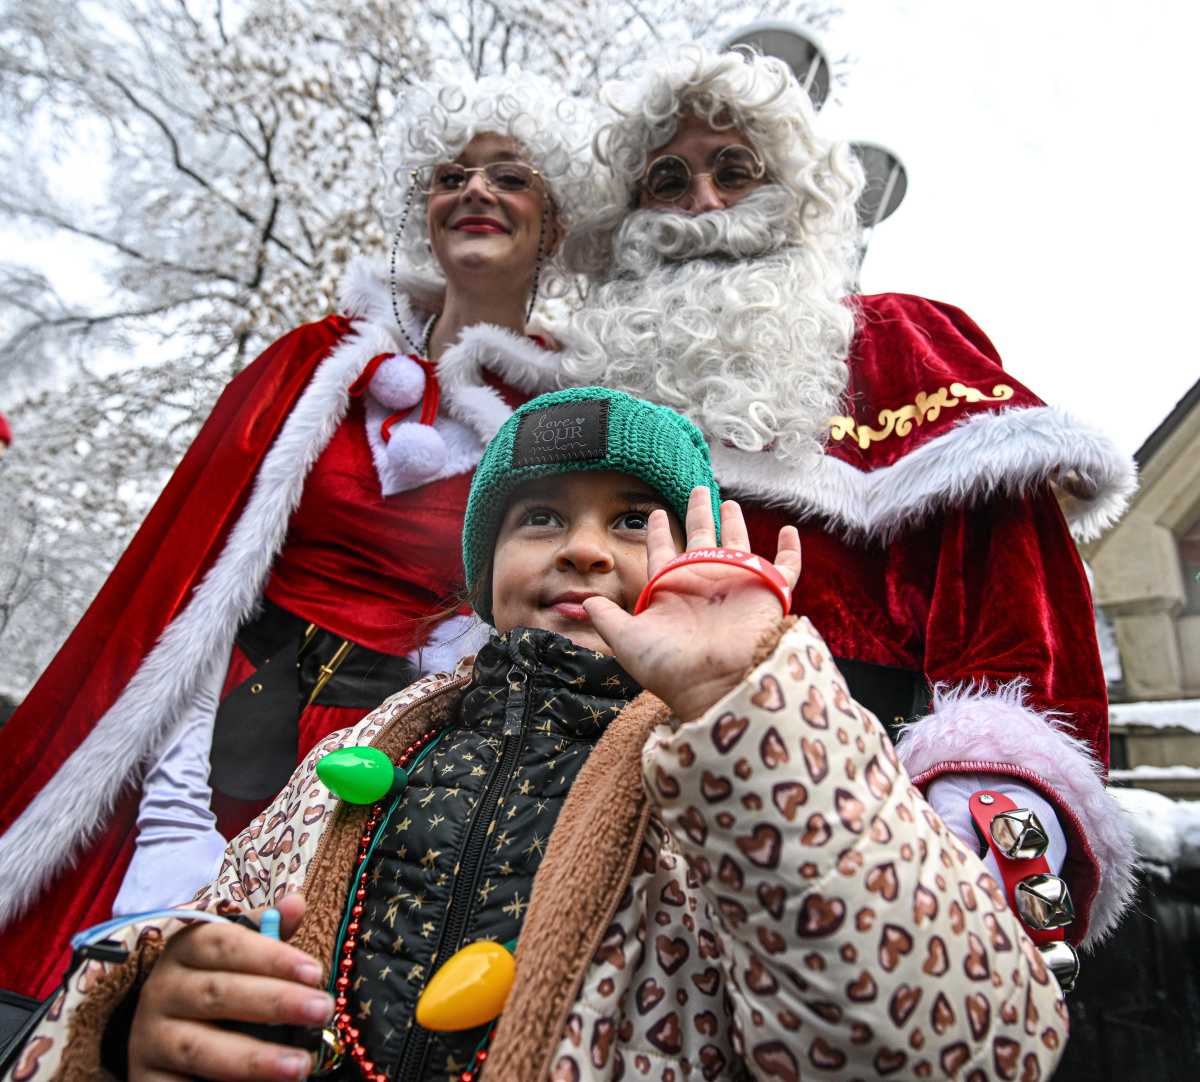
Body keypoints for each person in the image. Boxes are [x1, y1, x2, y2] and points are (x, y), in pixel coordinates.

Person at [7, 388, 1068, 1082]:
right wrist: (132, 1020)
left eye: (633, 518)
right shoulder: (383, 740)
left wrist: (748, 704)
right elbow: (217, 924)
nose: (586, 550)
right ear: (485, 568)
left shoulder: (753, 750)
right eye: (541, 518)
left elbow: (968, 1046)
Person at [0, 72, 592, 1000]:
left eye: (508, 175)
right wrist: (176, 783)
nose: (474, 191)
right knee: (117, 973)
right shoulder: (320, 362)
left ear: (552, 221)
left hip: (379, 747)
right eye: (451, 175)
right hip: (210, 718)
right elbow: (196, 567)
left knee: (282, 986)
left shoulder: (565, 418)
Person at [559, 46, 1138, 983]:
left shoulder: (907, 342)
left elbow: (1013, 621)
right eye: (669, 179)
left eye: (735, 169)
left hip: (854, 819)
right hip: (603, 845)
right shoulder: (582, 389)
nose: (705, 201)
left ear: (794, 190)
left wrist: (971, 841)